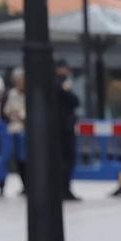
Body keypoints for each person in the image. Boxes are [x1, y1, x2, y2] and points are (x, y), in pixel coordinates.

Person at [54, 61, 81, 201]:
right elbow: (74, 102)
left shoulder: (62, 83)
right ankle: (64, 188)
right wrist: (66, 91)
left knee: (66, 160)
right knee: (65, 160)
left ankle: (64, 187)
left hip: (64, 127)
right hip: (63, 128)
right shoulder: (59, 84)